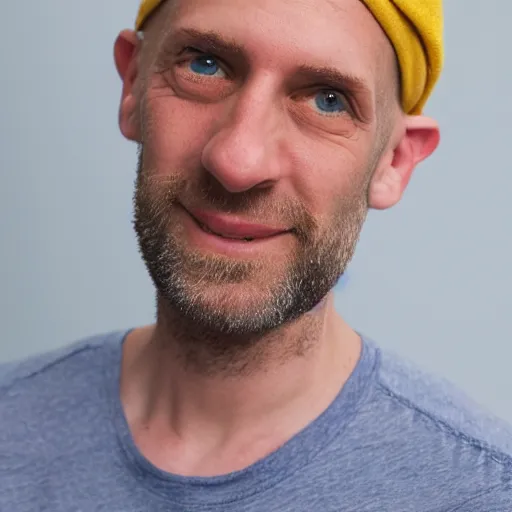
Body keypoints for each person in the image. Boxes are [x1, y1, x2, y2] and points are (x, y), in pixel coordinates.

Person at [1, 0, 511, 509]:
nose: (237, 161)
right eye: (204, 64)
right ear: (132, 84)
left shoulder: (485, 493)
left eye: (328, 101)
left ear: (393, 162)